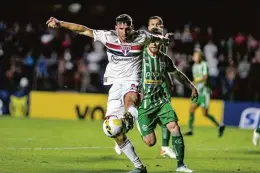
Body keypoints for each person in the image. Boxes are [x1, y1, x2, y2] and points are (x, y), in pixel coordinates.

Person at [46, 14, 167, 173]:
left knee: (130, 100)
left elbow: (159, 39)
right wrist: (60, 23)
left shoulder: (141, 37)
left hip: (133, 82)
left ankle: (131, 117)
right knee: (113, 130)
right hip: (115, 86)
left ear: (132, 27)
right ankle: (139, 167)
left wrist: (164, 39)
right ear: (116, 28)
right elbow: (83, 30)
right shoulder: (108, 36)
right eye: (121, 28)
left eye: (127, 28)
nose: (124, 32)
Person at [114, 16, 176, 159]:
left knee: (166, 111)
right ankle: (122, 134)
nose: (156, 26)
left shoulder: (161, 40)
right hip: (141, 82)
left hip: (158, 82)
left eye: (158, 24)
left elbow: (162, 62)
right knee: (135, 112)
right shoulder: (143, 39)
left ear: (162, 25)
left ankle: (165, 147)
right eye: (153, 24)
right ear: (148, 27)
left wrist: (168, 80)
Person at [137, 28, 198, 172]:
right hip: (144, 105)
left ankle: (181, 165)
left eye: (157, 41)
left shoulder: (164, 59)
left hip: (161, 101)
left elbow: (177, 74)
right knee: (151, 142)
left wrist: (192, 86)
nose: (154, 44)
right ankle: (138, 122)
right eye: (152, 40)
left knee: (174, 127)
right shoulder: (139, 56)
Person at [184, 49, 225, 137]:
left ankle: (220, 125)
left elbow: (205, 78)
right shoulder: (194, 66)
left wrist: (195, 81)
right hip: (198, 92)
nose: (194, 57)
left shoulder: (204, 64)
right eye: (194, 56)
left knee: (205, 113)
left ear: (200, 57)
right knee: (191, 109)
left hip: (205, 93)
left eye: (196, 56)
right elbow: (195, 79)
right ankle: (190, 130)